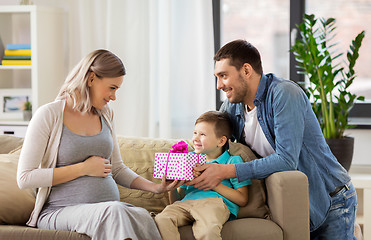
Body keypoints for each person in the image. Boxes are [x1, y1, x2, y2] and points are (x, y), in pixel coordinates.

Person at [187, 40, 358, 239]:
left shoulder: (284, 94)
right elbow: (214, 141)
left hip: (331, 199)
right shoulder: (233, 108)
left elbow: (286, 160)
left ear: (246, 70)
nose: (219, 85)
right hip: (296, 201)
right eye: (217, 77)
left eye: (223, 76)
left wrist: (224, 170)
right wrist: (187, 164)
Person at [17, 49, 182, 240]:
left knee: (141, 215)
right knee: (114, 212)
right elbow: (25, 178)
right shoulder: (49, 115)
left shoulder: (105, 114)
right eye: (112, 88)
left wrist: (155, 188)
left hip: (108, 210)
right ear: (91, 79)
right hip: (60, 211)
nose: (113, 97)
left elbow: (117, 169)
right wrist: (83, 168)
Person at [155, 111, 251, 240]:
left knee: (208, 230)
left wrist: (212, 183)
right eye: (195, 133)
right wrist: (171, 187)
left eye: (202, 134)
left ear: (221, 141)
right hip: (186, 203)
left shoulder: (232, 162)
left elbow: (242, 199)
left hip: (213, 203)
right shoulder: (189, 159)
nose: (195, 138)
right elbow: (178, 200)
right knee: (161, 219)